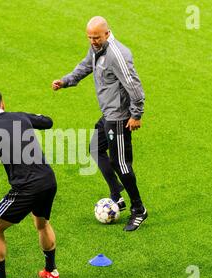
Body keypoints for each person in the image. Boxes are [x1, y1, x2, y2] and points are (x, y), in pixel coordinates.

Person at [52, 16, 148, 231]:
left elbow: (134, 86)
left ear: (107, 33)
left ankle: (139, 209)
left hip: (120, 117)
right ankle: (117, 195)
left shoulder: (117, 54)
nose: (93, 41)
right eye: (89, 37)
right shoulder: (97, 49)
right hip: (108, 114)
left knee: (121, 163)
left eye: (96, 37)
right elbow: (86, 66)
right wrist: (66, 81)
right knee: (95, 148)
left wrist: (136, 114)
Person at [0, 90, 59, 278]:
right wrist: (33, 117)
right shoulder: (20, 116)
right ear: (3, 103)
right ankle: (51, 271)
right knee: (41, 223)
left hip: (26, 188)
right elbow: (47, 122)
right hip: (48, 180)